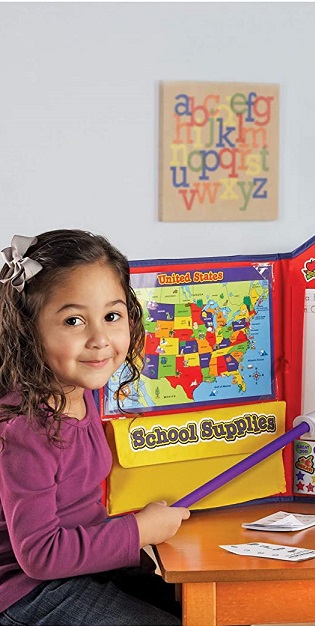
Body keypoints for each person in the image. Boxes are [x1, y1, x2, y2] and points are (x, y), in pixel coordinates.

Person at [0, 230, 191, 626]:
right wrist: (138, 531)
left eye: (111, 316)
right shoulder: (26, 429)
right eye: (74, 321)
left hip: (83, 567)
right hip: (26, 592)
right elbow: (40, 555)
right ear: (27, 330)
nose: (100, 339)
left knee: (215, 611)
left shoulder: (81, 388)